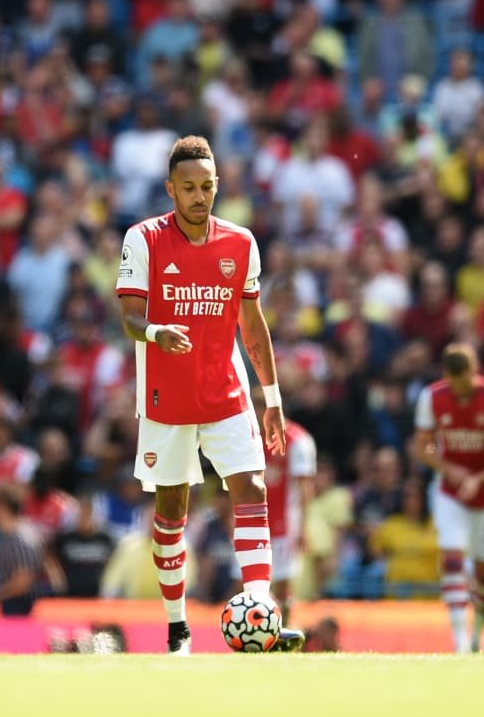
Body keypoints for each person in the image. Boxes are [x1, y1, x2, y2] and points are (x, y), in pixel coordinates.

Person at [116, 135, 304, 654]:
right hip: (166, 399)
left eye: (207, 186)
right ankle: (177, 626)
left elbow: (252, 323)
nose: (199, 196)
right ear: (170, 189)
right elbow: (129, 317)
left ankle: (260, 613)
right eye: (189, 187)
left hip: (226, 390)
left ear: (217, 185)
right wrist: (156, 332)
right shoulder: (143, 239)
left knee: (252, 487)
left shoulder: (240, 243)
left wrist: (272, 397)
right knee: (171, 510)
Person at [411, 342, 484, 653]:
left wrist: (478, 479)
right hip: (451, 493)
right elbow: (423, 447)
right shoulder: (432, 398)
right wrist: (448, 468)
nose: (460, 389)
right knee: (452, 558)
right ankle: (459, 640)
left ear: (475, 371)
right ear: (446, 376)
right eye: (454, 382)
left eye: (465, 380)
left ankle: (477, 634)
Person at [259, 385, 317, 624]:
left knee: (282, 583)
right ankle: (256, 630)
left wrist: (303, 528)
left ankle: (283, 627)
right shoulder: (252, 436)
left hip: (285, 524)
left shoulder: (298, 441)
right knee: (246, 582)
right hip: (254, 520)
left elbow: (305, 490)